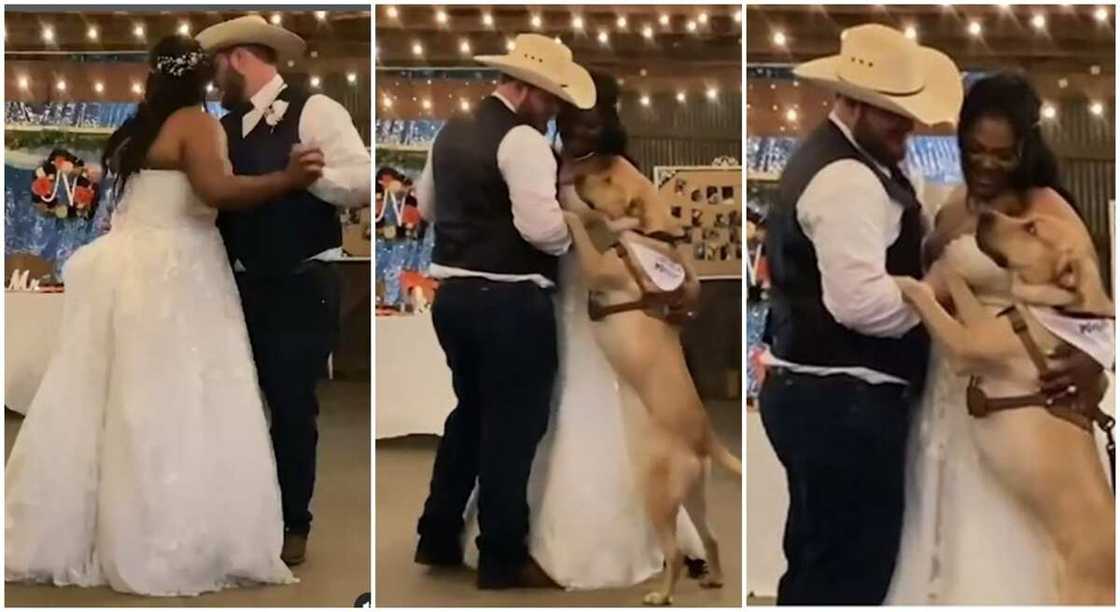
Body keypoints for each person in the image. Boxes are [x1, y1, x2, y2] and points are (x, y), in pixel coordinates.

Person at [5, 34, 323, 596]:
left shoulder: (140, 126)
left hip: (132, 265)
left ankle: (93, 528)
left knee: (121, 398)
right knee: (181, 398)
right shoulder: (195, 123)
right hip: (180, 268)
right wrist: (287, 181)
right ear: (201, 77)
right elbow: (216, 189)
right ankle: (165, 533)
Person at [458, 70, 709, 590]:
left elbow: (664, 235)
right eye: (572, 118)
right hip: (553, 298)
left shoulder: (621, 172)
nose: (580, 130)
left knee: (608, 408)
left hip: (608, 301)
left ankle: (637, 532)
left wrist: (681, 278)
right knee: (542, 408)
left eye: (592, 121)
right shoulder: (541, 163)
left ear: (609, 121)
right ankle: (521, 537)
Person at [886, 72, 1109, 604]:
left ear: (1025, 151)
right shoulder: (953, 206)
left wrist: (1093, 364)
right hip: (947, 393)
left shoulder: (1048, 212)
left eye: (1001, 155)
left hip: (1021, 403)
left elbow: (1099, 310)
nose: (986, 164)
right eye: (974, 150)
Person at [758, 24, 961, 605]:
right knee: (850, 575)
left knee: (820, 562)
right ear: (849, 101)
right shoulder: (848, 180)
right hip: (844, 403)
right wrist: (935, 290)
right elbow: (862, 305)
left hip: (823, 396)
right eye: (891, 111)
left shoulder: (861, 164)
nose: (908, 124)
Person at [411, 33, 590, 589]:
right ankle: (501, 556)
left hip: (454, 297)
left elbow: (427, 206)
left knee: (469, 415)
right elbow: (541, 230)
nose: (556, 109)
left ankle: (437, 534)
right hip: (511, 299)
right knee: (512, 430)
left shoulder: (450, 133)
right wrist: (577, 231)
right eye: (553, 98)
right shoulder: (524, 142)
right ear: (531, 90)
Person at [195, 15, 371, 566]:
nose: (215, 78)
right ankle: (248, 517)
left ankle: (295, 523)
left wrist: (311, 178)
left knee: (293, 408)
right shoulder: (222, 128)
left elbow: (365, 179)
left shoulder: (315, 110)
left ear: (239, 58)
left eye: (218, 65)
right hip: (240, 288)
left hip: (302, 283)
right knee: (238, 407)